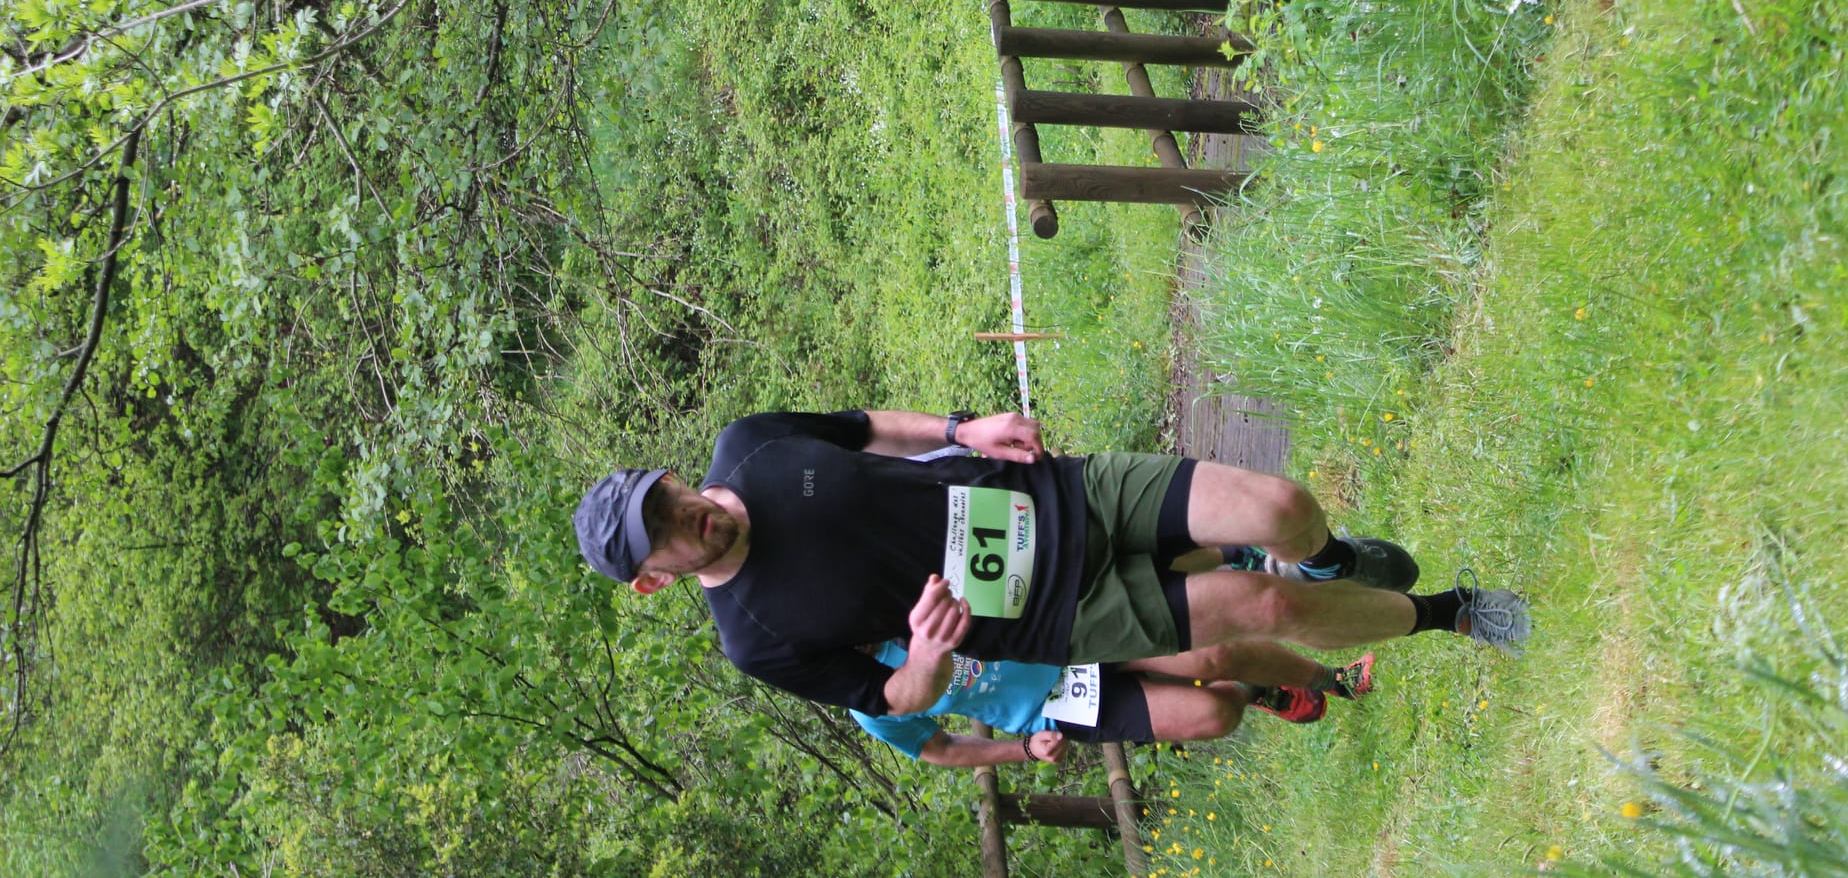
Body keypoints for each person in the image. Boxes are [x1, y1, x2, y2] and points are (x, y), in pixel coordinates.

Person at [574, 409, 1528, 717]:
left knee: (1280, 508)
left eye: (666, 492)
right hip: (1051, 612)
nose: (685, 513)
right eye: (661, 529)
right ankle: (1453, 611)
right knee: (1257, 611)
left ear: (667, 473)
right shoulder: (755, 637)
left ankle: (1330, 561)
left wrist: (959, 427)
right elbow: (886, 697)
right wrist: (925, 659)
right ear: (652, 576)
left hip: (1052, 495)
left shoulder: (751, 443)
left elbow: (866, 426)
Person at [851, 640, 1377, 768]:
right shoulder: (862, 700)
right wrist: (1026, 751)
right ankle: (1259, 690)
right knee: (1216, 713)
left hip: (1068, 638)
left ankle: (1337, 679)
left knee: (1213, 655)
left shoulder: (886, 594)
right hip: (1057, 706)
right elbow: (941, 749)